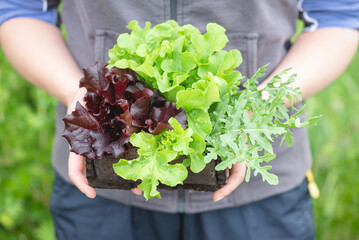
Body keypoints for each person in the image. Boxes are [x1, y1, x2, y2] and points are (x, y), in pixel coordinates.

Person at [0, 0, 358, 239]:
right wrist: (77, 95)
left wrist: (259, 105)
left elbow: (335, 15)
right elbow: (22, 9)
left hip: (257, 197)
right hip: (104, 188)